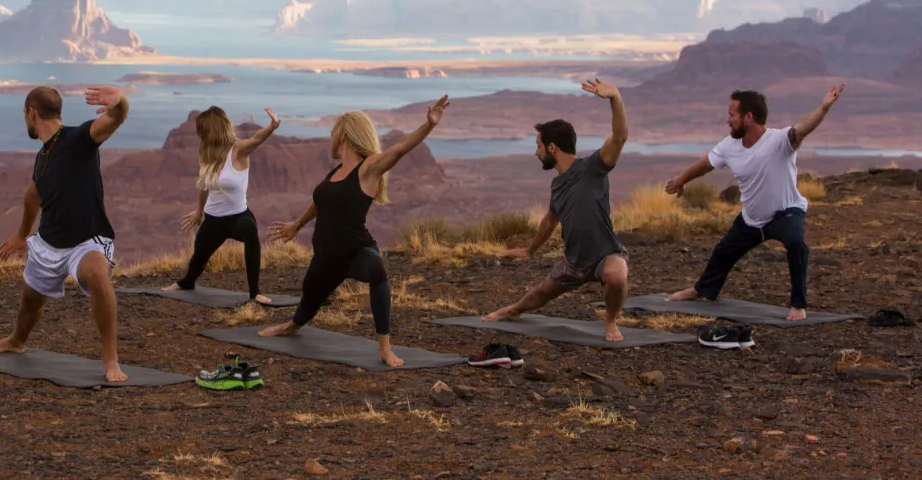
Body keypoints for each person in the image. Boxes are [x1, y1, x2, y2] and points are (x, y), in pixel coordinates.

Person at [259, 96, 450, 368]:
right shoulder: (336, 171)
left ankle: (384, 347)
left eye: (334, 133)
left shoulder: (368, 167)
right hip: (326, 255)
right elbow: (320, 202)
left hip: (355, 250)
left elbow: (399, 150)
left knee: (377, 270)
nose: (331, 138)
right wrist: (297, 225)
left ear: (344, 136)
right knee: (308, 299)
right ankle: (291, 327)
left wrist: (428, 125)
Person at [0, 84, 131, 382]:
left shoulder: (77, 140)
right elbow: (32, 195)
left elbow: (112, 121)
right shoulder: (43, 157)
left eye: (25, 115)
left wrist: (121, 103)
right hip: (49, 244)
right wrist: (22, 234)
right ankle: (17, 341)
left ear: (31, 113)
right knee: (30, 301)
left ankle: (111, 360)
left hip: (86, 241)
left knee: (98, 275)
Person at [664, 84, 845, 321]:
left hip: (785, 213)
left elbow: (802, 129)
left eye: (732, 115)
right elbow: (706, 163)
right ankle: (702, 291)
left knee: (795, 243)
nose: (728, 120)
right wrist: (681, 180)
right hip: (752, 218)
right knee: (723, 252)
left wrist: (823, 109)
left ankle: (798, 305)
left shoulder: (779, 141)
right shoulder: (729, 145)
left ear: (748, 117)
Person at [483, 79, 631, 342]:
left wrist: (615, 98)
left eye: (539, 147)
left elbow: (620, 137)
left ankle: (610, 322)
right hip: (575, 262)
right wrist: (529, 250)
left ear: (552, 148)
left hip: (605, 254)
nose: (536, 153)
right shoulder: (557, 185)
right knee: (540, 294)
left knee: (616, 276)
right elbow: (550, 220)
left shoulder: (592, 168)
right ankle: (512, 310)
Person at [163, 106, 281, 303]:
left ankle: (255, 292)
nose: (200, 135)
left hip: (238, 216)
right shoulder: (207, 153)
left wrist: (271, 127)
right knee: (199, 255)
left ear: (213, 130)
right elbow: (203, 185)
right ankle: (187, 282)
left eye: (203, 130)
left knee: (250, 230)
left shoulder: (238, 150)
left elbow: (256, 139)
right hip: (213, 218)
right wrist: (199, 212)